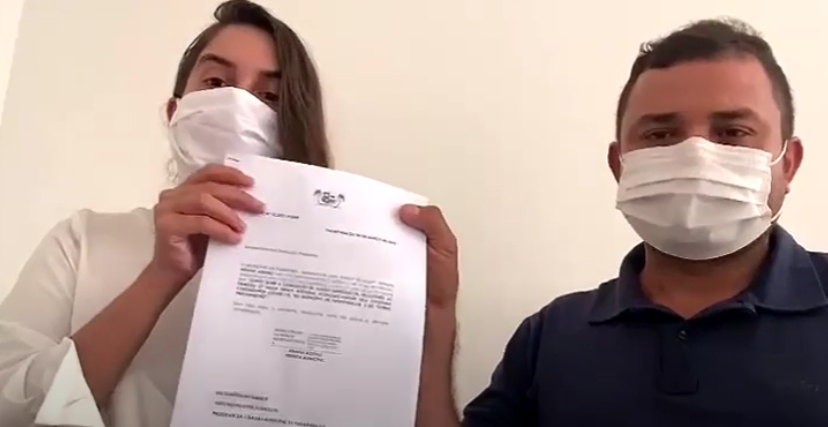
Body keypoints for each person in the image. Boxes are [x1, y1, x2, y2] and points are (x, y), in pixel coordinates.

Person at [0, 1, 460, 426]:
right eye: (216, 84)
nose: (240, 105)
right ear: (175, 111)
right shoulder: (83, 240)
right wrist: (161, 276)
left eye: (271, 96)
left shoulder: (354, 266)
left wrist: (436, 317)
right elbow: (10, 408)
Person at [417, 18, 828, 427]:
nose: (696, 156)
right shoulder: (552, 334)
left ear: (788, 164)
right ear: (620, 166)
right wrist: (434, 315)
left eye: (733, 132)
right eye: (660, 135)